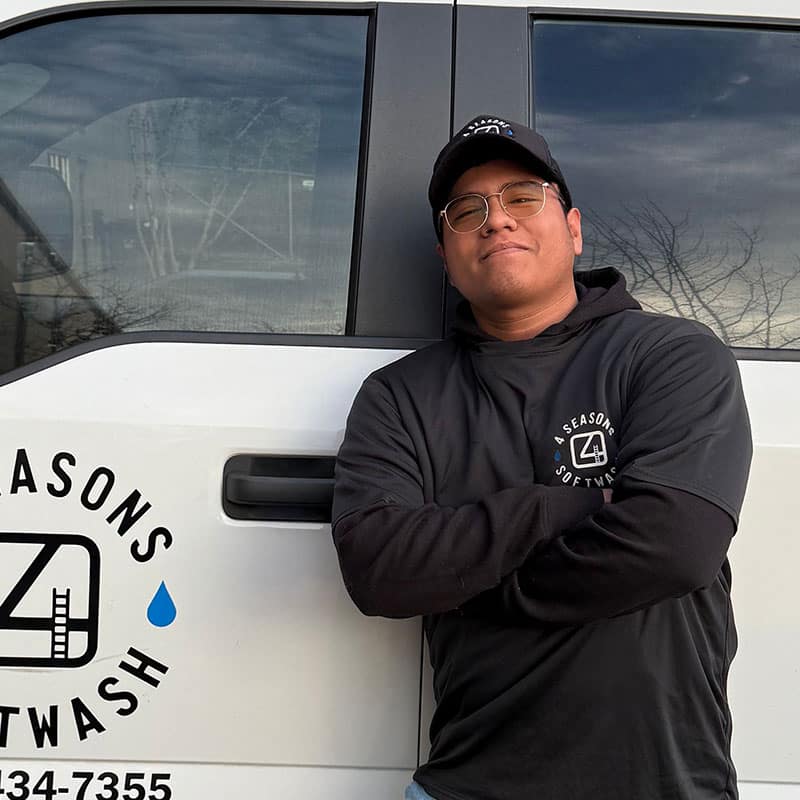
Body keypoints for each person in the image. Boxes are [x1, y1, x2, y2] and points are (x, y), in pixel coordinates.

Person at [332, 114, 752, 800]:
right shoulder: (399, 396)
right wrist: (574, 507)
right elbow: (378, 570)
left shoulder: (670, 354)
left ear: (574, 228)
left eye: (523, 197)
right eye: (467, 210)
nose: (496, 220)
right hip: (465, 788)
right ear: (446, 253)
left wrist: (472, 582)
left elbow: (676, 545)